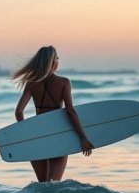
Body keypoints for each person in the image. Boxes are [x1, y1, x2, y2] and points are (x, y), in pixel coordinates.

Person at [11, 45, 94, 182]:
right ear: (52, 61)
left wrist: (26, 133)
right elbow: (70, 112)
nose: (58, 60)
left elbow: (19, 112)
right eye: (57, 58)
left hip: (36, 135)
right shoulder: (63, 82)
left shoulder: (31, 83)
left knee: (43, 185)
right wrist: (83, 138)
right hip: (57, 134)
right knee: (53, 185)